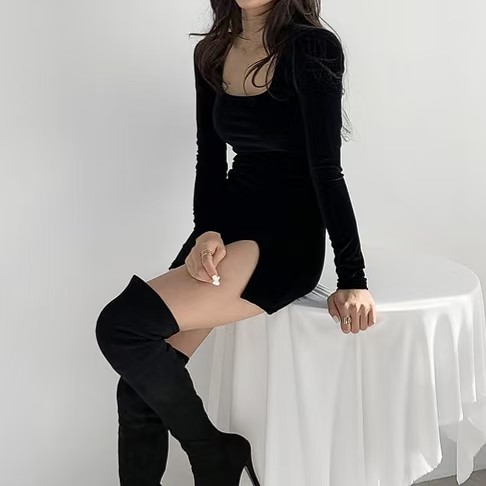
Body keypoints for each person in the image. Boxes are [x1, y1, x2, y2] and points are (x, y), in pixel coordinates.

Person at [95, 1, 378, 485]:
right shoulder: (212, 51)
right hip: (226, 225)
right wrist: (206, 230)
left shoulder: (312, 47)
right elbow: (210, 157)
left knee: (121, 327)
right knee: (138, 388)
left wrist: (353, 277)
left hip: (284, 239)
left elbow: (326, 170)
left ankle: (213, 453)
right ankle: (215, 457)